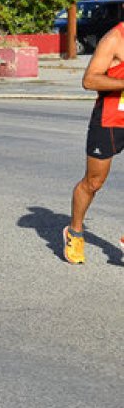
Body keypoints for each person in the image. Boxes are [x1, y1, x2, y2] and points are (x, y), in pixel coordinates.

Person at [64, 25, 124, 264]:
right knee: (93, 182)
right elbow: (89, 80)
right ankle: (75, 231)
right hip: (110, 119)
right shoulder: (114, 39)